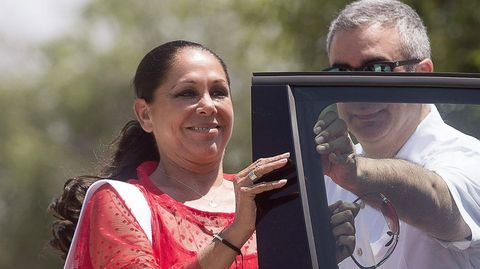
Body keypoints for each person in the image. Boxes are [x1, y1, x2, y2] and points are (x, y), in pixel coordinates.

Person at [49, 40, 358, 269]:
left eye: (219, 92)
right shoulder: (120, 203)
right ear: (145, 114)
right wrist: (236, 233)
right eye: (187, 93)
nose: (208, 105)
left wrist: (322, 255)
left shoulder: (270, 197)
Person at [314, 0, 480, 268]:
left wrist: (357, 174)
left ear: (423, 76)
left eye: (378, 70)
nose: (357, 93)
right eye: (341, 73)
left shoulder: (470, 160)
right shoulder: (324, 176)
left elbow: (439, 202)